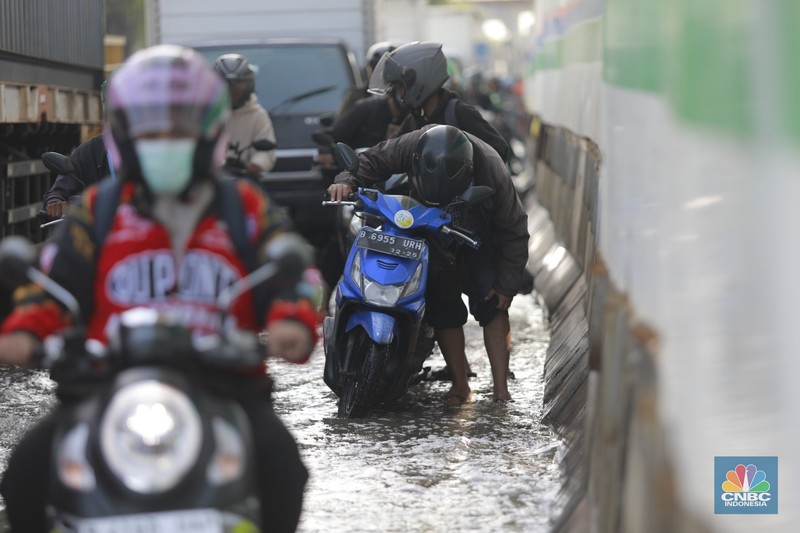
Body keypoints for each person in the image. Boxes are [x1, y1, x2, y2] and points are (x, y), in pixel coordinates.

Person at [0, 45, 320, 533]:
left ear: (209, 131)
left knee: (283, 467)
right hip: (105, 382)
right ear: (125, 134)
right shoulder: (97, 211)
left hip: (223, 383)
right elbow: (52, 285)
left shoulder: (243, 207)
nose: (164, 141)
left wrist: (292, 318)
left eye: (178, 128)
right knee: (24, 474)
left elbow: (295, 273)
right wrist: (23, 329)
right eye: (150, 129)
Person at [327, 125, 529, 404]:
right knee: (443, 304)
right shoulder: (412, 144)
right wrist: (346, 180)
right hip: (423, 228)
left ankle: (501, 391)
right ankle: (461, 387)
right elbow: (373, 160)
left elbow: (515, 230)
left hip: (476, 236)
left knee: (492, 301)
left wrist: (507, 285)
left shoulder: (492, 169)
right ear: (417, 162)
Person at [368, 41, 510, 162]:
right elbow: (386, 153)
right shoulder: (415, 121)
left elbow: (499, 150)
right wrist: (350, 177)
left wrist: (470, 176)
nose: (400, 96)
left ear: (418, 82)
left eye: (401, 88)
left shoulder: (460, 113)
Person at [214, 53, 277, 178]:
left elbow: (267, 152)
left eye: (238, 86)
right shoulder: (207, 114)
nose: (232, 91)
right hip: (212, 179)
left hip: (246, 178)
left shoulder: (257, 115)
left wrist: (255, 164)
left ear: (249, 86)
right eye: (227, 86)